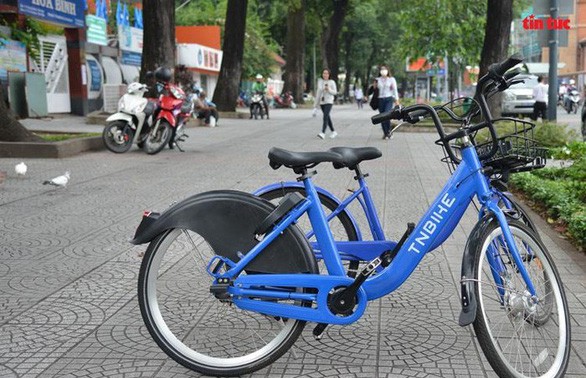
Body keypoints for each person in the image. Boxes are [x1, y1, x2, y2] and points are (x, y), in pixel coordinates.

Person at [313, 68, 338, 139]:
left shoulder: (332, 82)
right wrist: (315, 105)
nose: (325, 75)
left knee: (325, 117)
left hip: (329, 101)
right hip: (322, 102)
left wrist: (329, 89)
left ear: (329, 74)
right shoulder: (320, 82)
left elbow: (335, 92)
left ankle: (323, 132)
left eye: (327, 73)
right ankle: (333, 131)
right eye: (324, 73)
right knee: (327, 117)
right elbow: (318, 93)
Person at [377, 65, 399, 139]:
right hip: (380, 100)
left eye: (384, 69)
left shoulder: (391, 79)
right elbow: (374, 91)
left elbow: (395, 90)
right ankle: (386, 133)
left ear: (387, 70)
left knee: (387, 115)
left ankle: (389, 131)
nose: (383, 71)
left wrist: (396, 100)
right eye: (382, 69)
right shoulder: (377, 80)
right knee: (381, 117)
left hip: (389, 99)